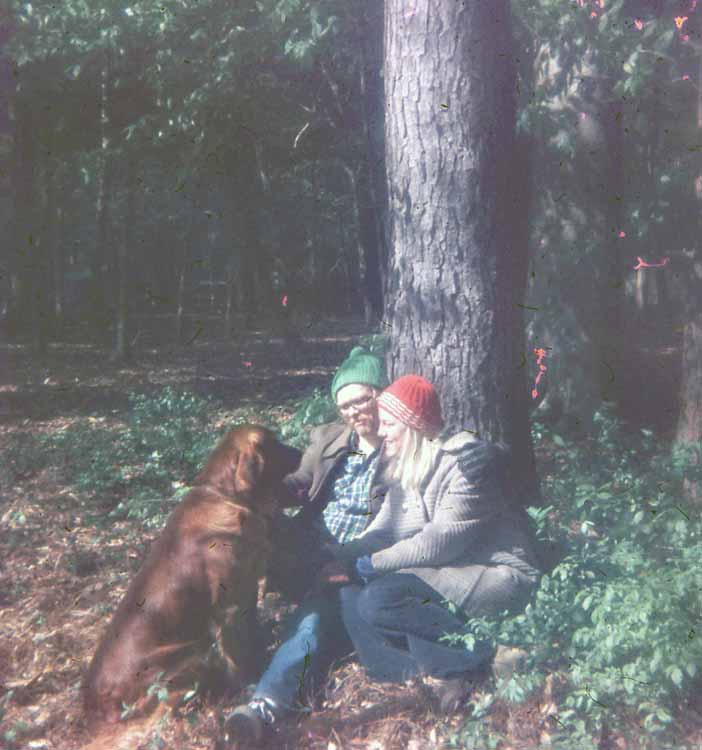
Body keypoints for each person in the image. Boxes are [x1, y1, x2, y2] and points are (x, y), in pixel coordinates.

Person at [328, 375, 541, 711]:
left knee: (382, 596)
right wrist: (337, 556)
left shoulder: (466, 464)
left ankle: (487, 655)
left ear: (412, 425)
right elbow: (385, 529)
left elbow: (440, 543)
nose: (380, 433)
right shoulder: (409, 464)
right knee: (350, 593)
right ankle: (417, 673)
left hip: (491, 571)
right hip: (444, 570)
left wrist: (371, 564)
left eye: (388, 424)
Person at [224, 346, 389, 747]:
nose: (353, 412)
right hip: (306, 543)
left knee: (318, 614)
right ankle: (225, 654)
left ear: (381, 394)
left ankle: (263, 706)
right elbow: (300, 480)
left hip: (351, 557)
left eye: (361, 400)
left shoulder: (401, 444)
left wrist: (347, 560)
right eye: (344, 405)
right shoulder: (330, 437)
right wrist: (263, 494)